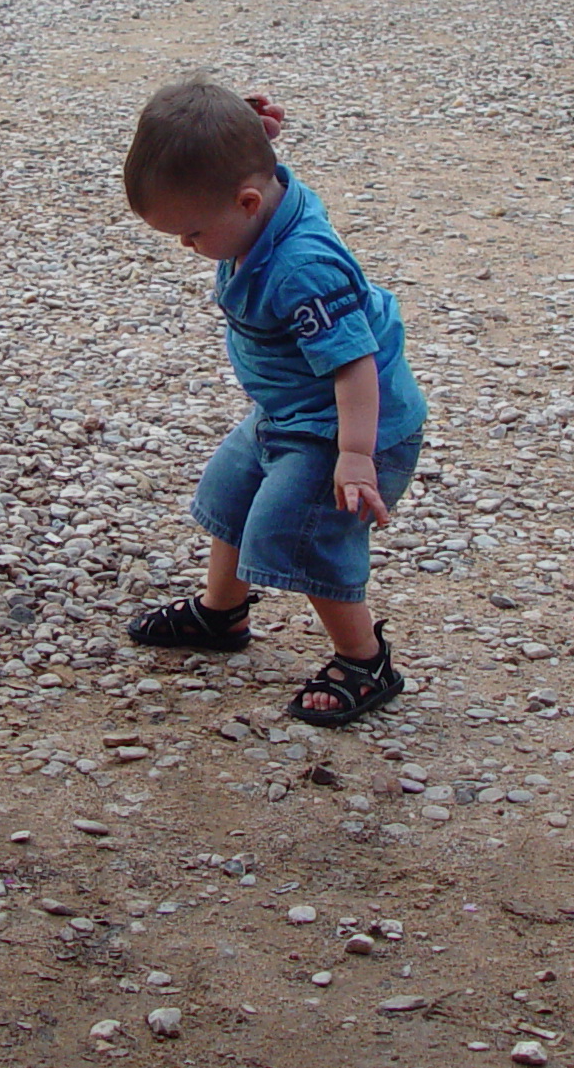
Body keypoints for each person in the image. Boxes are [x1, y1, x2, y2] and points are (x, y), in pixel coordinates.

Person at [120, 77, 426, 727]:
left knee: (302, 533)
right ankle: (221, 614)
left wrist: (353, 457)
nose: (188, 246)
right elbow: (238, 160)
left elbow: (354, 363)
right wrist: (252, 129)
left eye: (194, 233)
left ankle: (365, 660)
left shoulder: (302, 270)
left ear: (249, 201)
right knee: (230, 496)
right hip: (288, 413)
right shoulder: (261, 200)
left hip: (349, 428)